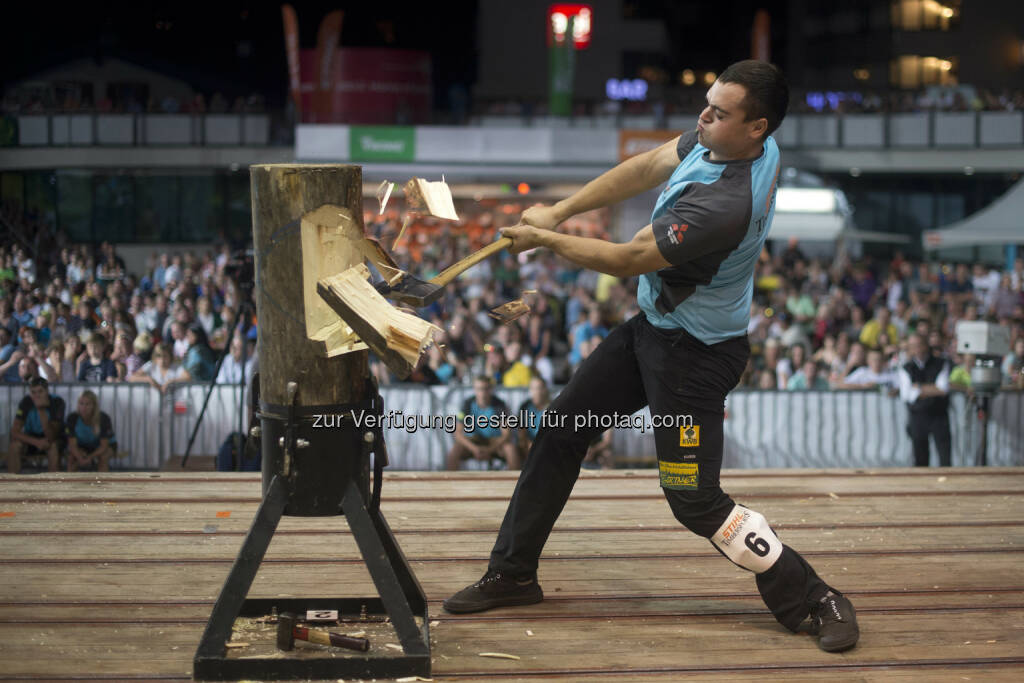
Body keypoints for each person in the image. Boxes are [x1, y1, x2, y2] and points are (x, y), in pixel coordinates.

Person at [443, 61, 858, 653]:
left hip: (695, 359)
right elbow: (646, 165)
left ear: (756, 128)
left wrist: (547, 238)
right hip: (656, 331)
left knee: (694, 500)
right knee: (561, 429)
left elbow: (628, 259)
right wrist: (558, 210)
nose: (703, 116)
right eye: (707, 103)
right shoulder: (733, 142)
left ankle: (815, 597)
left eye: (720, 112)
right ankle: (512, 574)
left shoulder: (725, 203)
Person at [898, 333, 951, 467]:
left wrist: (918, 387)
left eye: (919, 345)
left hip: (939, 415)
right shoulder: (906, 367)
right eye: (912, 346)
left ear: (926, 345)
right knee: (920, 459)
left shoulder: (941, 363)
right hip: (917, 416)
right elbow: (906, 395)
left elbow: (943, 389)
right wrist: (932, 389)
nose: (917, 349)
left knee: (944, 457)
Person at [446, 375, 519, 470]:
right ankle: (451, 482)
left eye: (486, 389)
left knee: (511, 450)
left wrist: (489, 450)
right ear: (475, 390)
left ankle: (515, 483)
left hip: (494, 442)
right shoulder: (467, 404)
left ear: (491, 389)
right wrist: (474, 449)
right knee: (455, 451)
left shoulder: (499, 405)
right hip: (474, 441)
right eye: (479, 389)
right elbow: (458, 434)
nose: (482, 393)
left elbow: (506, 434)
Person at [8, 376, 65, 473]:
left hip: (51, 438)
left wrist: (41, 410)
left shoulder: (57, 402)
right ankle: (13, 482)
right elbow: (14, 431)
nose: (36, 396)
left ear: (47, 391)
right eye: (33, 392)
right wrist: (36, 442)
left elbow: (52, 436)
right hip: (32, 438)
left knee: (53, 447)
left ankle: (54, 484)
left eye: (40, 391)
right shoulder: (26, 401)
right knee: (14, 446)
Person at [65, 390, 115, 472]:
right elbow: (72, 444)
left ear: (94, 406)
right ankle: (70, 483)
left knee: (103, 457)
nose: (84, 407)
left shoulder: (103, 418)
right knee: (72, 458)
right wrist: (80, 458)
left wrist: (89, 458)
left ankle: (103, 483)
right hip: (82, 446)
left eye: (87, 404)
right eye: (81, 403)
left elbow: (104, 446)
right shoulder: (72, 418)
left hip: (103, 446)